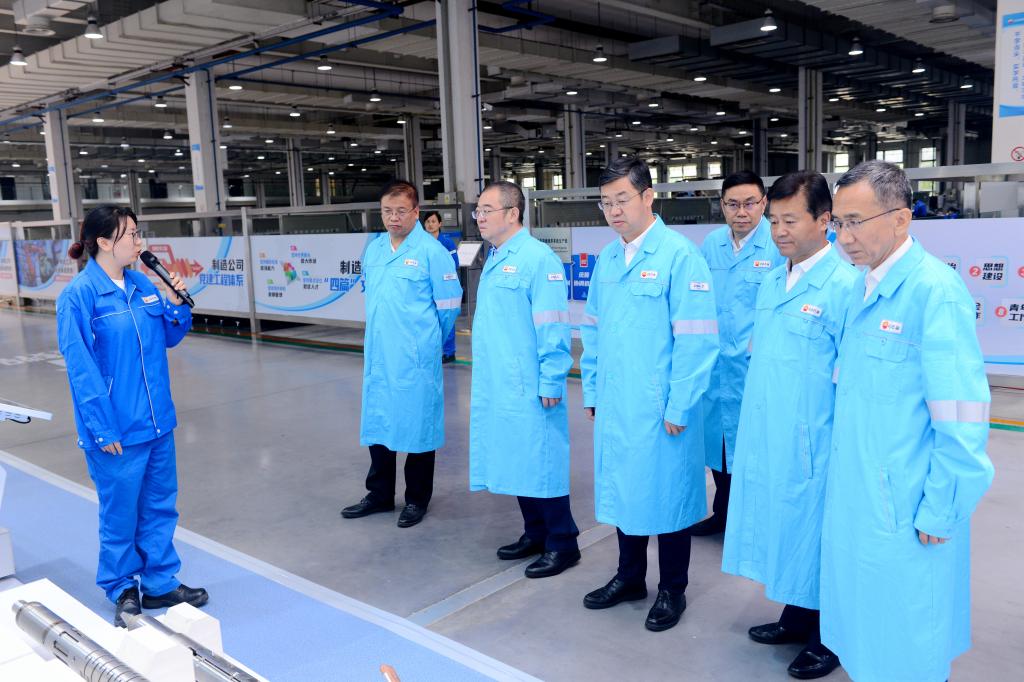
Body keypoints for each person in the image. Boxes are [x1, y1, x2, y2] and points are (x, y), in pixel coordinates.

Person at [821, 160, 994, 682]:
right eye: (838, 222)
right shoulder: (861, 286)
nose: (844, 237)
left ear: (901, 218)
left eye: (856, 222)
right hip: (861, 494)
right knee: (868, 634)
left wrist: (943, 510)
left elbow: (962, 419)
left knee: (910, 642)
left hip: (907, 505)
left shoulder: (934, 293)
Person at [721, 171, 856, 679]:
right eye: (774, 220)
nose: (778, 231)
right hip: (772, 429)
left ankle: (829, 637)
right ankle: (797, 616)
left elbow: (850, 379)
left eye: (790, 220)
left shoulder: (844, 286)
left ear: (824, 221)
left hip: (816, 438)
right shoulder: (775, 279)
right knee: (788, 528)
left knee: (818, 534)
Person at [580, 157, 719, 632]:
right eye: (606, 202)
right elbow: (592, 329)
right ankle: (630, 577)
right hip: (618, 402)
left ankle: (672, 589)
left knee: (669, 496)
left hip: (662, 406)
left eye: (622, 199)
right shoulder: (608, 258)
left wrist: (680, 403)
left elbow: (697, 339)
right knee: (626, 490)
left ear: (648, 197)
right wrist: (593, 389)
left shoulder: (679, 256)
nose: (614, 211)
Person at [56, 205, 207, 628]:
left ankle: (159, 582)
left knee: (160, 506)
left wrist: (175, 304)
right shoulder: (80, 296)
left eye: (139, 234)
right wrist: (102, 428)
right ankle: (121, 586)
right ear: (104, 242)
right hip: (116, 429)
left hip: (157, 421)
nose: (140, 243)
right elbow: (81, 369)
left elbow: (168, 338)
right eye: (132, 235)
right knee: (120, 513)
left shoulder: (141, 283)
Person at [469, 181, 580, 578]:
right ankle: (535, 532)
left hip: (530, 383)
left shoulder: (538, 259)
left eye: (487, 210)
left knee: (542, 459)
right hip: (500, 381)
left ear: (513, 213)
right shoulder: (497, 256)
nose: (480, 217)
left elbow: (554, 326)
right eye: (478, 211)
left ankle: (563, 542)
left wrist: (551, 379)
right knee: (518, 458)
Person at [341, 181, 462, 528]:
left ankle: (416, 499)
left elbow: (449, 306)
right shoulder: (375, 249)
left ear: (416, 212)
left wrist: (424, 343)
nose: (393, 218)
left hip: (415, 357)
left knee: (418, 426)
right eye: (387, 211)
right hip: (380, 353)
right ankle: (379, 494)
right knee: (380, 422)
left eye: (400, 211)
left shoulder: (431, 252)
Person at [691, 171, 781, 536]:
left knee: (756, 447)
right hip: (716, 368)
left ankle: (754, 524)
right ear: (722, 206)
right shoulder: (712, 244)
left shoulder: (777, 246)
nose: (741, 212)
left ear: (763, 203)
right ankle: (723, 514)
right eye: (732, 204)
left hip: (753, 367)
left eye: (749, 203)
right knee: (719, 445)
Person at [424, 210, 460, 363]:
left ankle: (449, 352)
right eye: (427, 222)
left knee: (447, 317)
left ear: (440, 224)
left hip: (444, 286)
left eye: (433, 221)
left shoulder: (446, 242)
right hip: (427, 286)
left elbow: (455, 263)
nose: (430, 224)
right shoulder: (422, 243)